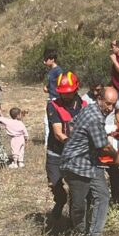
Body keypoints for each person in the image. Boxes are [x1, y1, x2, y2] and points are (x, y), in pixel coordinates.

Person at [60, 86, 119, 236]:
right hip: (76, 164)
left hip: (91, 161)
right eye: (108, 103)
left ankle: (94, 235)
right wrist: (117, 157)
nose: (110, 108)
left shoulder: (90, 109)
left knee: (102, 195)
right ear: (99, 99)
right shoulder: (94, 117)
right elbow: (104, 145)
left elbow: (72, 124)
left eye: (113, 104)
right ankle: (79, 231)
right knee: (79, 202)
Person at [46, 72, 86, 218]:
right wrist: (74, 143)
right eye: (63, 93)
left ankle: (72, 219)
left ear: (76, 89)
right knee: (54, 183)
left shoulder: (84, 106)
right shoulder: (53, 106)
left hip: (76, 156)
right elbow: (58, 133)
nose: (66, 95)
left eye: (69, 92)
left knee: (76, 189)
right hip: (56, 153)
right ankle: (60, 200)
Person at [81, 80, 119, 204]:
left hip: (110, 137)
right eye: (93, 90)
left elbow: (118, 112)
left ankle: (116, 198)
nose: (95, 92)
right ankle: (90, 200)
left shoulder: (111, 95)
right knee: (94, 170)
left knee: (113, 170)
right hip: (94, 139)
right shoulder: (85, 100)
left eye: (98, 90)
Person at [43, 48, 63, 147]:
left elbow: (61, 84)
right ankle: (48, 142)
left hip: (56, 99)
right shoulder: (51, 71)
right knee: (47, 122)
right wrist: (47, 87)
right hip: (51, 97)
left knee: (52, 121)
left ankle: (52, 142)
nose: (44, 62)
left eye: (46, 59)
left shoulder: (58, 71)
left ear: (52, 59)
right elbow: (52, 84)